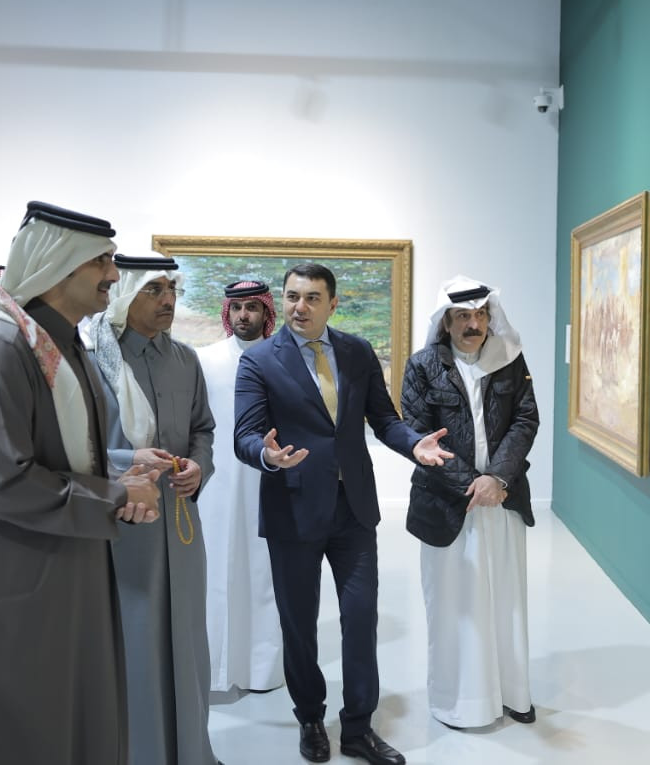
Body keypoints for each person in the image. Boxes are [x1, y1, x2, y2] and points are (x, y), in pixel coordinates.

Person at [0, 201, 162, 765]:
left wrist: (119, 478)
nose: (114, 274)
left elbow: (61, 455)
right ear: (57, 266)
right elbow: (2, 480)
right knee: (15, 726)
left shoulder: (60, 343)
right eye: (100, 261)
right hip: (10, 586)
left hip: (62, 571)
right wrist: (115, 495)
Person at [234, 263, 453, 765]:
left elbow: (385, 420)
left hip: (353, 509)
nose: (300, 307)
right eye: (292, 296)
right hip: (292, 510)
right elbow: (244, 435)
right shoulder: (259, 360)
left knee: (360, 618)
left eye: (312, 298)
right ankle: (310, 717)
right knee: (298, 624)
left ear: (332, 304)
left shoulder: (356, 351)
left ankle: (358, 727)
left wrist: (414, 444)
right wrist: (267, 455)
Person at [90, 253, 219, 765]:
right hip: (119, 524)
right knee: (133, 642)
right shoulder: (92, 362)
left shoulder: (185, 359)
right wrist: (128, 462)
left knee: (186, 640)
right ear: (126, 294)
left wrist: (199, 467)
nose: (169, 300)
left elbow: (203, 428)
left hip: (180, 524)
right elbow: (73, 448)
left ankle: (191, 751)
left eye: (172, 290)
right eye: (155, 290)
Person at [401, 276, 539, 729]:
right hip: (447, 503)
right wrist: (472, 484)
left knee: (506, 600)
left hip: (502, 499)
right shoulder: (422, 366)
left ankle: (513, 693)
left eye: (480, 314)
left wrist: (496, 478)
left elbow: (525, 419)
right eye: (463, 316)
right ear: (446, 322)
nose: (473, 324)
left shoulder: (510, 360)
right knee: (454, 605)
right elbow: (419, 435)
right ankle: (459, 700)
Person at [196, 279, 284, 697]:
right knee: (216, 572)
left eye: (252, 307)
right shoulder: (204, 360)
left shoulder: (284, 358)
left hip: (269, 480)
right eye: (237, 307)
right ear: (227, 313)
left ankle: (262, 671)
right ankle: (214, 669)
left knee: (265, 575)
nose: (244, 315)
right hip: (216, 486)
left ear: (266, 312)